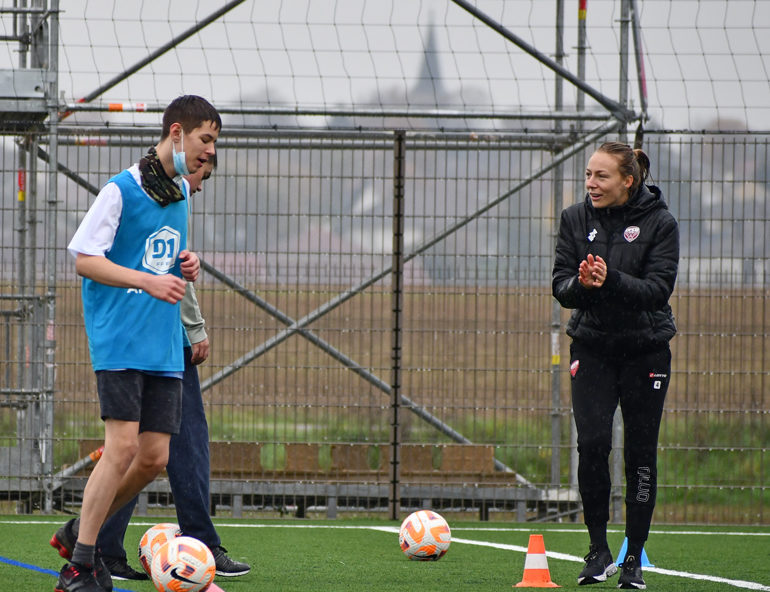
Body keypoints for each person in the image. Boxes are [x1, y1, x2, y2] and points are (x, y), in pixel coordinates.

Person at [52, 95, 221, 592]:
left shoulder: (183, 195)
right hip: (121, 338)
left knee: (153, 459)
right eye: (204, 140)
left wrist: (187, 266)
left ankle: (76, 530)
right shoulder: (120, 190)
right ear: (176, 134)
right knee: (121, 447)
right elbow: (84, 259)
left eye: (213, 142)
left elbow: (165, 255)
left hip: (163, 344)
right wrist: (147, 282)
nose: (209, 152)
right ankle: (81, 565)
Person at [96, 154, 251, 581]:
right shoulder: (142, 194)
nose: (201, 183)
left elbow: (176, 266)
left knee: (157, 449)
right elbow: (144, 269)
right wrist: (195, 328)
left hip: (160, 338)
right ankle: (101, 545)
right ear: (180, 145)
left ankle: (107, 546)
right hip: (149, 340)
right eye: (203, 169)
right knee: (152, 447)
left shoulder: (173, 195)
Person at [552, 141, 679, 589]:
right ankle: (597, 551)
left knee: (640, 455)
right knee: (592, 444)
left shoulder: (661, 223)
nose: (591, 184)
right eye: (588, 174)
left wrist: (611, 278)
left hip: (646, 350)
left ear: (628, 180)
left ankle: (632, 561)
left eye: (601, 176)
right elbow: (561, 285)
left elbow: (657, 291)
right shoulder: (574, 219)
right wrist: (584, 286)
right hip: (593, 348)